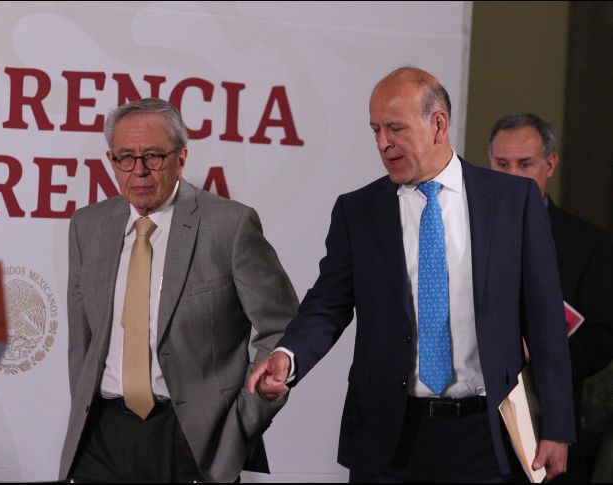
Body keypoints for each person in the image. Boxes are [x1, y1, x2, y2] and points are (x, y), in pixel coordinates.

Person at [247, 67, 575, 482]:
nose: (383, 143)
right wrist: (287, 357)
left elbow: (546, 321)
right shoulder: (358, 211)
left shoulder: (513, 201)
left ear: (438, 124)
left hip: (487, 437)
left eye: (396, 129)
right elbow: (328, 304)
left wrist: (558, 427)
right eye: (376, 130)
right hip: (390, 440)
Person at [59, 97, 299, 482]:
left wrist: (241, 425)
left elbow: (284, 328)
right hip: (100, 437)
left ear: (181, 158)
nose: (139, 170)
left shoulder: (229, 225)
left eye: (153, 156)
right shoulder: (88, 226)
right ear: (111, 161)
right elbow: (81, 343)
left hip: (192, 439)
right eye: (125, 157)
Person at [488, 113, 613, 482]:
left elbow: (604, 336)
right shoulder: (463, 233)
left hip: (549, 418)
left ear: (550, 164)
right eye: (501, 164)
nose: (512, 176)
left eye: (525, 164)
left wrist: (538, 355)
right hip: (471, 419)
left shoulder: (588, 244)